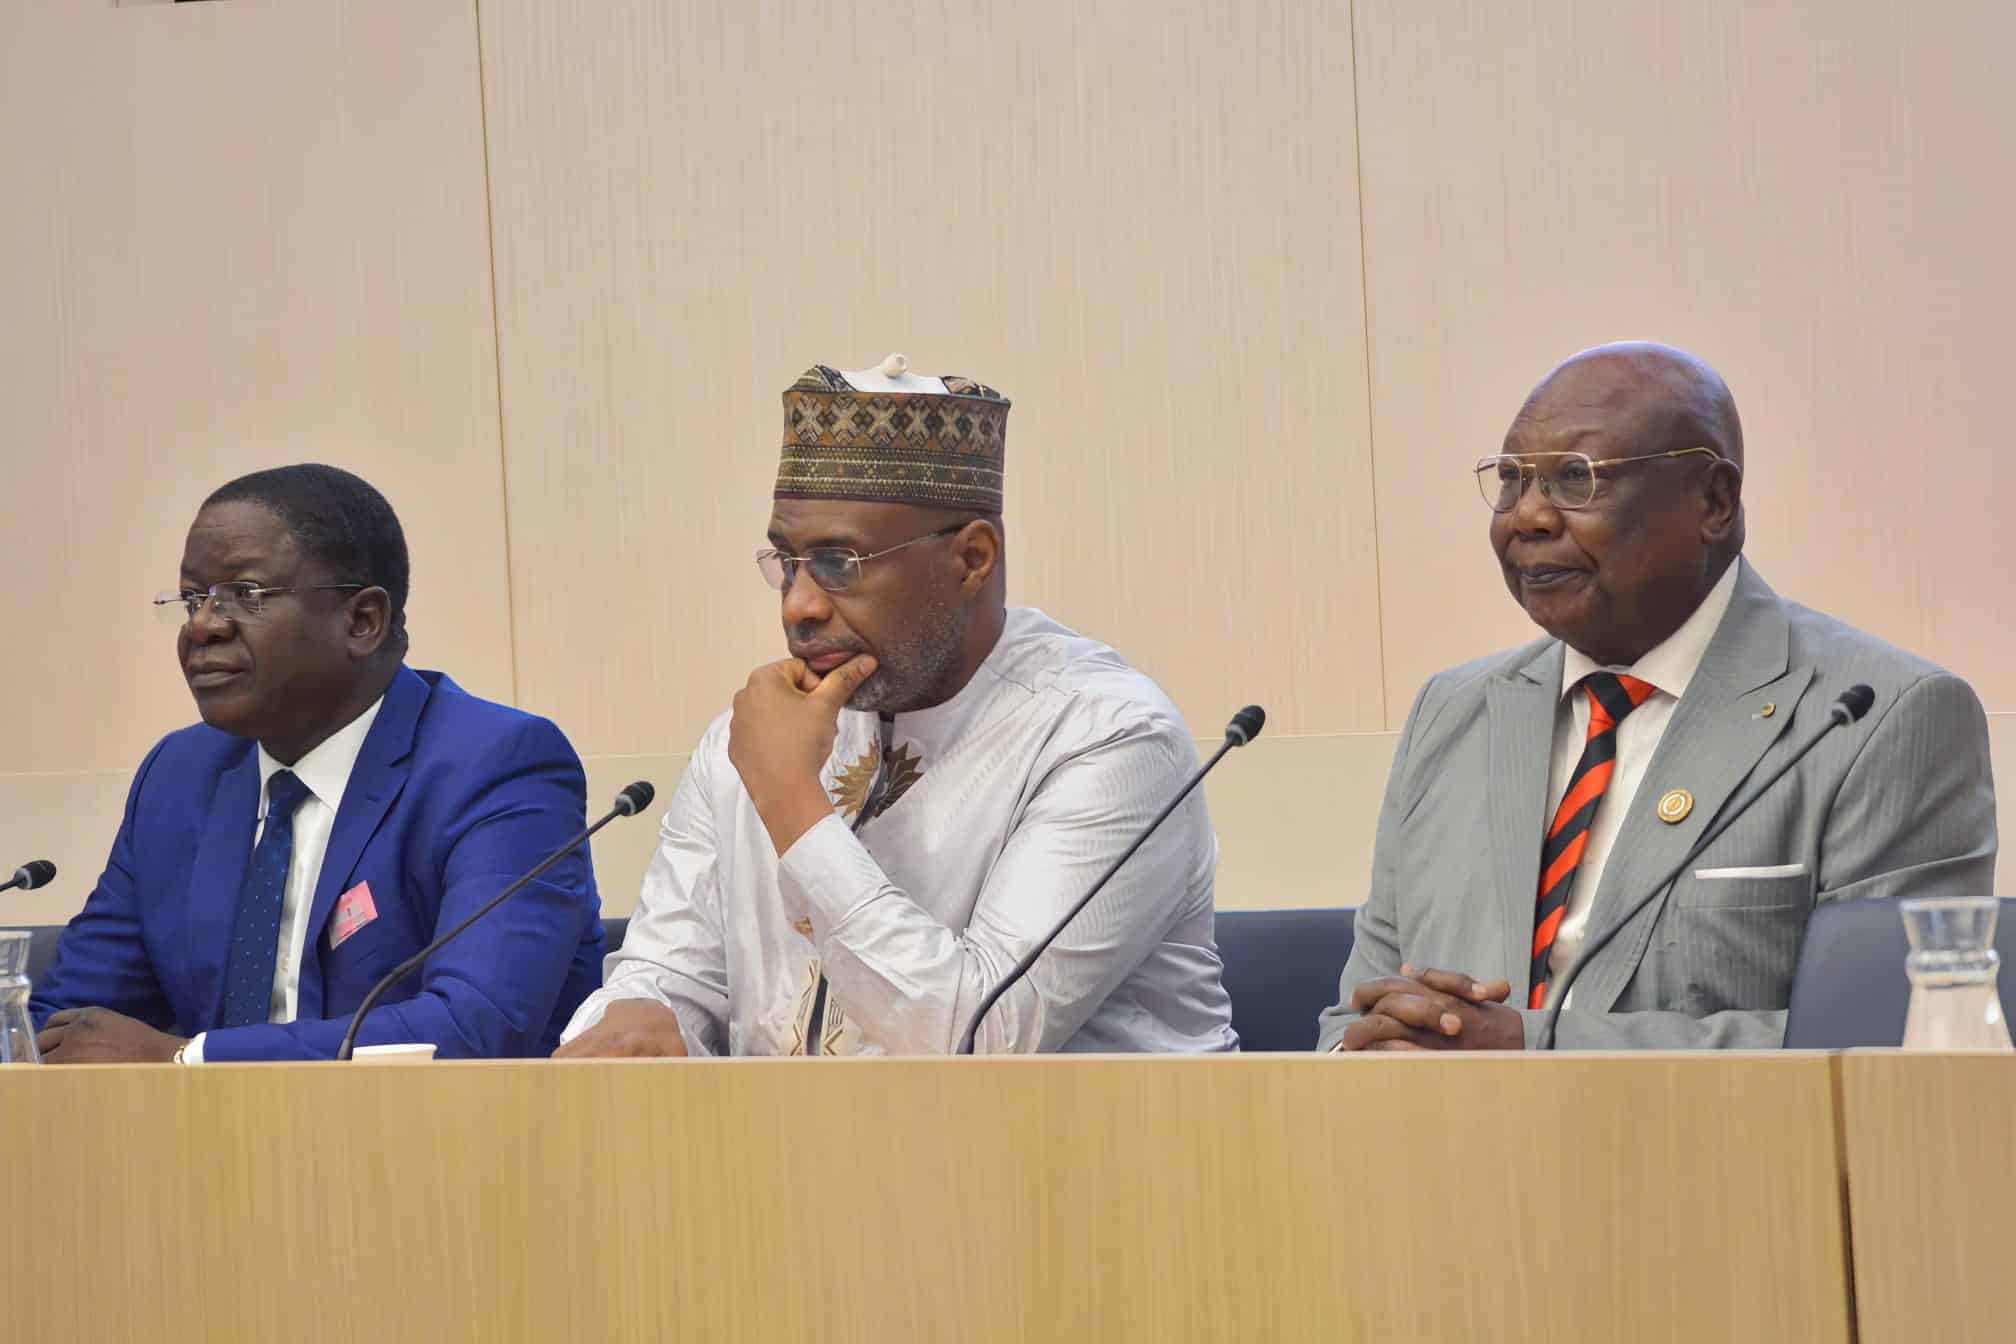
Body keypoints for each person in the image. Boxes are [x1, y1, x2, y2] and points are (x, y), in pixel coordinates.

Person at [1319, 342, 1996, 1051]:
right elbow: (1354, 1012)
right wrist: (1371, 1050)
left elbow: (1891, 1033)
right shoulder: (1454, 711)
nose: (1528, 516)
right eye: (1513, 479)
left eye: (1575, 479)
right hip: (1432, 1126)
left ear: (1713, 501)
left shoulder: (1879, 717)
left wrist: (1535, 1050)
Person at [558, 355, 1236, 1056]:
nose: (798, 605)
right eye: (786, 562)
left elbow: (980, 1039)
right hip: (792, 1133)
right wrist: (641, 1012)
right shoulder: (748, 739)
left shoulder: (1108, 737)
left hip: (1092, 1132)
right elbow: (666, 972)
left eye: (839, 564)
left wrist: (793, 803)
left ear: (972, 559)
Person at [31, 464, 604, 1061]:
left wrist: (187, 1060)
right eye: (194, 599)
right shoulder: (179, 776)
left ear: (363, 621)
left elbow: (474, 1026)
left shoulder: (494, 767)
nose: (201, 627)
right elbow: (61, 1022)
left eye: (245, 595)